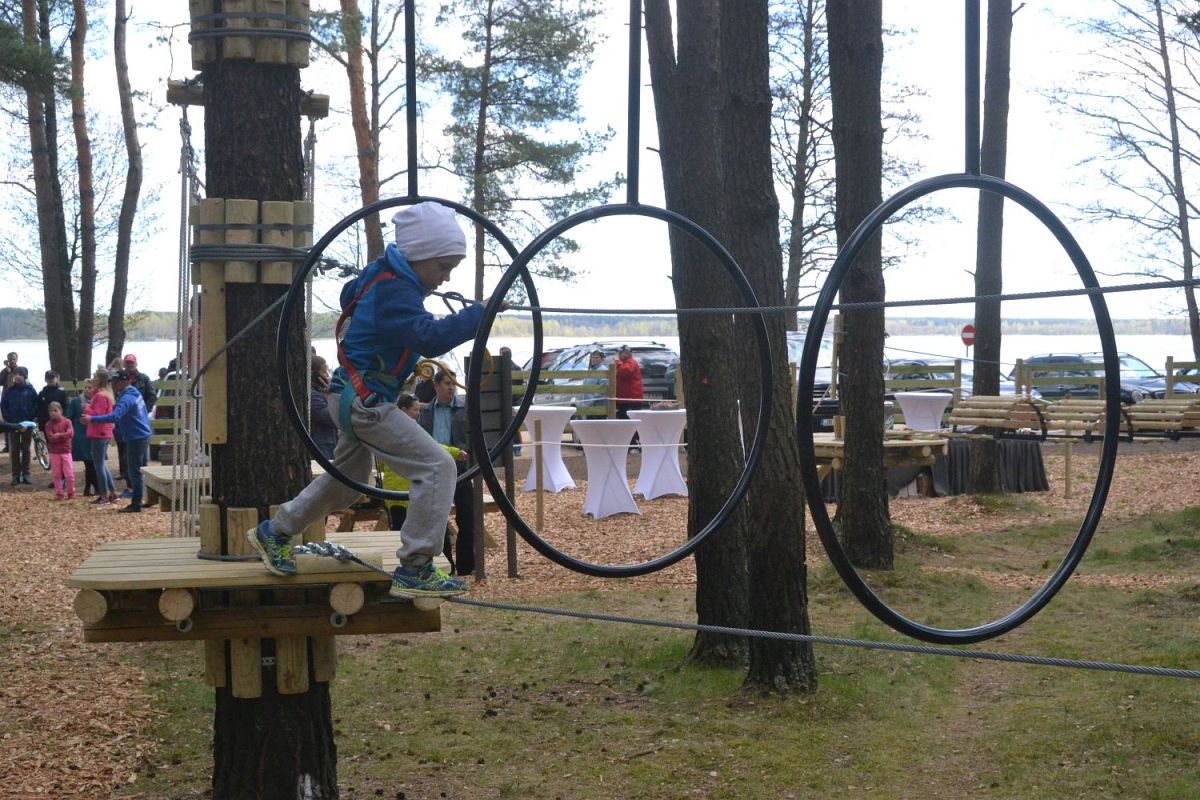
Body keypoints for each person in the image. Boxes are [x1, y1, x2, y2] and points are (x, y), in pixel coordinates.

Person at [246, 201, 505, 597]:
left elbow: (362, 302)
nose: (444, 278)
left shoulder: (384, 278)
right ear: (418, 256)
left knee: (347, 486)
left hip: (351, 395)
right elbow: (429, 337)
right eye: (442, 268)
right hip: (365, 402)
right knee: (437, 467)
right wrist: (479, 316)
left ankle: (275, 530)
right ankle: (416, 568)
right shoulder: (393, 292)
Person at [417, 370, 475, 576]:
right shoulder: (425, 412)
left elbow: (473, 437)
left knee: (467, 517)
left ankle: (467, 566)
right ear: (436, 386)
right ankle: (446, 566)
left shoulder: (464, 408)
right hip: (436, 470)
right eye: (447, 383)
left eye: (454, 384)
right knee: (438, 519)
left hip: (461, 469)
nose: (451, 388)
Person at [83, 368, 152, 512]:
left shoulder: (127, 397)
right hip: (142, 434)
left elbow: (115, 416)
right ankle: (145, 498)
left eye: (117, 381)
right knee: (141, 469)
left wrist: (92, 419)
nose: (113, 384)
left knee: (134, 471)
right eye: (113, 381)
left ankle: (136, 504)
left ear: (126, 381)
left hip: (136, 437)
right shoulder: (134, 392)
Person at [83, 369, 121, 506]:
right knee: (102, 464)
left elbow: (98, 415)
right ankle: (112, 493)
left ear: (100, 380)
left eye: (94, 377)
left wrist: (87, 408)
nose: (92, 379)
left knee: (98, 465)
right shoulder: (103, 394)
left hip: (99, 433)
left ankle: (104, 496)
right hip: (103, 432)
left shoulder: (100, 396)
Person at [1, 367, 37, 484]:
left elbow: (36, 405)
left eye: (20, 374)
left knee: (26, 448)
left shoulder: (30, 390)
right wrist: (9, 421)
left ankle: (26, 473)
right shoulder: (9, 391)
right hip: (13, 424)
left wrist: (30, 419)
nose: (17, 376)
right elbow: (4, 406)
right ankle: (15, 475)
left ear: (25, 376)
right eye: (16, 374)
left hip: (27, 424)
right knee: (14, 449)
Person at [67, 379, 99, 496]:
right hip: (81, 436)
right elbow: (68, 417)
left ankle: (88, 488)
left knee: (93, 463)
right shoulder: (76, 402)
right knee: (89, 463)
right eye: (85, 387)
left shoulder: (97, 401)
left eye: (89, 387)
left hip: (95, 435)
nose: (86, 389)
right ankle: (94, 487)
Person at [44, 401, 75, 499]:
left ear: (60, 411)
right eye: (50, 411)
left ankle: (71, 492)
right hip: (54, 452)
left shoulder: (67, 422)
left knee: (69, 474)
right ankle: (59, 493)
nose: (53, 413)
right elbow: (50, 438)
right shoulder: (48, 425)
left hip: (66, 451)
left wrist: (59, 435)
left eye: (55, 410)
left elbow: (70, 434)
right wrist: (63, 436)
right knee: (56, 474)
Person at [310, 355, 338, 461]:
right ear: (314, 374)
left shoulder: (321, 392)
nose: (327, 376)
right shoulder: (312, 394)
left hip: (329, 441)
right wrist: (332, 396)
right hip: (321, 444)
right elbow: (330, 416)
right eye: (324, 372)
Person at [0, 351, 18, 453]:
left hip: (17, 399)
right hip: (6, 399)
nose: (12, 361)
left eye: (14, 359)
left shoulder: (20, 370)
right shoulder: (4, 371)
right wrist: (6, 372)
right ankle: (8, 445)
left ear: (17, 359)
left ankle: (17, 445)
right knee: (6, 421)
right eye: (10, 359)